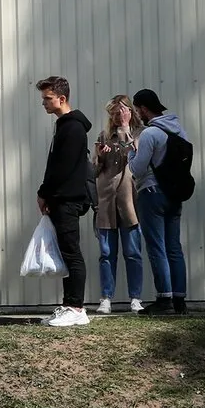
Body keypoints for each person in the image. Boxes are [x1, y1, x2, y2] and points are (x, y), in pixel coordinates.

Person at [35, 77, 94, 327]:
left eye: (48, 99)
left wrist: (44, 192)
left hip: (68, 199)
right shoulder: (64, 125)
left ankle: (76, 307)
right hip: (61, 198)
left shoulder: (72, 128)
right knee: (67, 251)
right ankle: (69, 304)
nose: (44, 103)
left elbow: (63, 167)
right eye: (43, 99)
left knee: (71, 253)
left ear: (62, 98)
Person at [129, 89, 192, 316]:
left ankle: (163, 298)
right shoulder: (179, 130)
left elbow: (137, 169)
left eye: (138, 110)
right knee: (174, 247)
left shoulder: (150, 134)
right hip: (174, 194)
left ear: (144, 109)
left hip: (152, 192)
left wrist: (130, 153)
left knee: (157, 247)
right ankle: (179, 301)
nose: (138, 114)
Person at [93, 95, 144, 314]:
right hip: (106, 201)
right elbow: (94, 171)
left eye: (120, 112)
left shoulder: (140, 134)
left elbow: (134, 155)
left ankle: (136, 298)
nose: (116, 117)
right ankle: (106, 298)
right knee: (106, 253)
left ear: (130, 112)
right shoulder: (104, 136)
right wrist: (98, 157)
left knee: (132, 252)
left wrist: (125, 128)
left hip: (129, 201)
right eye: (113, 113)